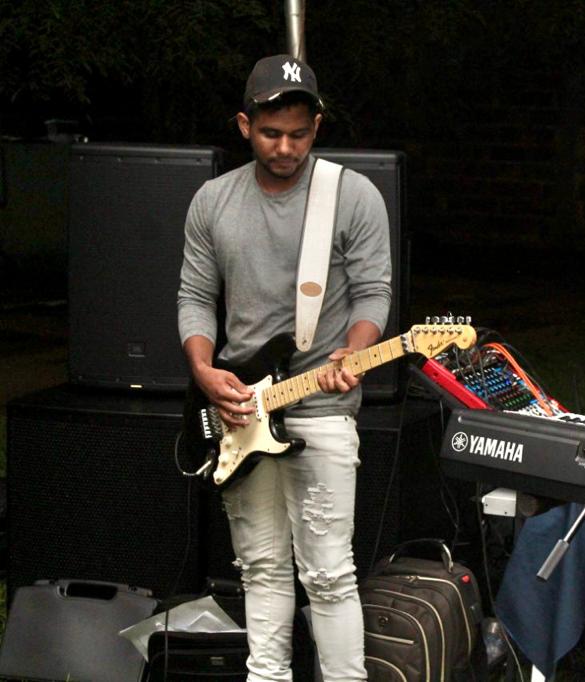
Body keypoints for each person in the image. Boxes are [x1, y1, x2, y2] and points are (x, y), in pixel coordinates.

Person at [177, 54, 392, 681]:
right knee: (261, 569)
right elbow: (195, 296)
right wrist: (203, 371)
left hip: (322, 405)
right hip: (240, 410)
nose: (285, 148)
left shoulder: (351, 195)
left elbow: (373, 292)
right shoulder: (213, 200)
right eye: (271, 133)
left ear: (316, 127)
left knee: (328, 573)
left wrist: (355, 350)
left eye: (299, 134)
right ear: (245, 125)